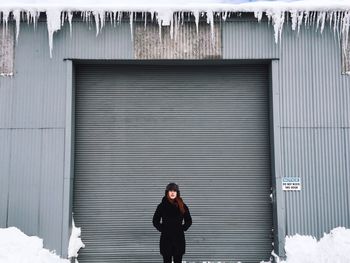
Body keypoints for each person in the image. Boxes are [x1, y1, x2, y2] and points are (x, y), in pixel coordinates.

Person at [153, 183, 192, 263]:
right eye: (170, 190)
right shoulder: (162, 206)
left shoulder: (182, 205)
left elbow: (188, 220)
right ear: (167, 192)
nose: (172, 192)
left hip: (178, 239)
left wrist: (182, 228)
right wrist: (162, 228)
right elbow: (155, 220)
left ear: (177, 192)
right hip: (166, 240)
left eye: (175, 190)